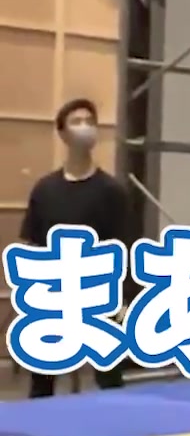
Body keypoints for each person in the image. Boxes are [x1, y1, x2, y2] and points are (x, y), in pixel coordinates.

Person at [19, 96, 131, 398]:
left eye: (90, 121)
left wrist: (121, 299)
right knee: (42, 375)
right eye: (77, 121)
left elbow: (122, 249)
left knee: (109, 373)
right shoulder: (45, 189)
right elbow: (33, 244)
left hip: (98, 291)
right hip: (53, 292)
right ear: (63, 133)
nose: (85, 127)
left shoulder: (112, 191)